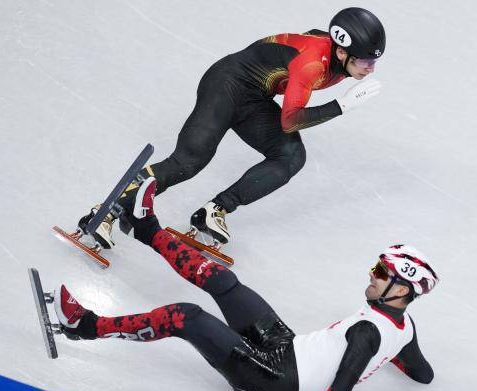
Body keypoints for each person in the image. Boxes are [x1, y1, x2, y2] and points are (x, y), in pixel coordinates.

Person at [58, 177, 439, 391]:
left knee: (185, 316)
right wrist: (385, 357)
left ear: (401, 289)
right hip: (286, 346)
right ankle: (146, 227)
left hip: (273, 380)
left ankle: (84, 325)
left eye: (380, 273)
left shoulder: (368, 334)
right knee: (224, 283)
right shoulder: (403, 328)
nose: (371, 276)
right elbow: (422, 374)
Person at [81, 7, 386, 250]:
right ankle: (106, 210)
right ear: (342, 52)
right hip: (225, 84)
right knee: (188, 162)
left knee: (291, 156)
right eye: (364, 62)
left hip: (254, 97)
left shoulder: (339, 56)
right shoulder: (312, 64)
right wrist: (341, 106)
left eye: (374, 63)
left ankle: (213, 212)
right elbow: (290, 119)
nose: (369, 69)